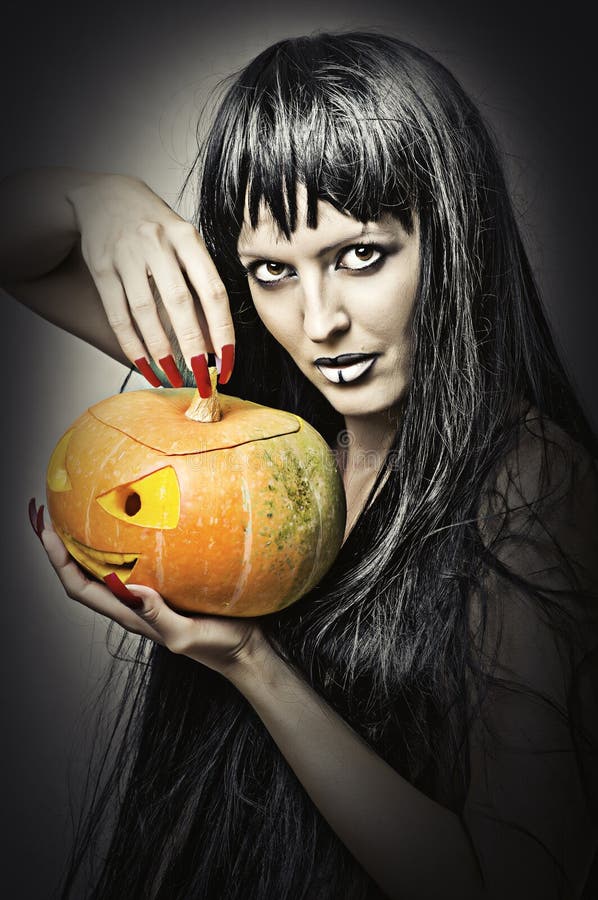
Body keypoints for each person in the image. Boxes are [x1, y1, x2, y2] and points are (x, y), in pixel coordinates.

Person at [1, 31, 597, 900]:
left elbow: (507, 884)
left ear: (454, 235)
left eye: (360, 256)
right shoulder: (257, 412)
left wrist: (250, 659)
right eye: (273, 270)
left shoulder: (532, 485)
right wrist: (94, 198)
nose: (318, 322)